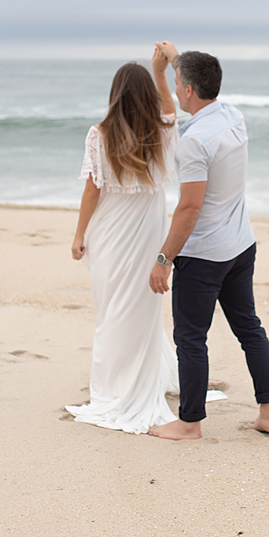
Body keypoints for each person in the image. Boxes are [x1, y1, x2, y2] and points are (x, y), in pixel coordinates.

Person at [147, 48, 269, 440]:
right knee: (249, 328)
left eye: (177, 84)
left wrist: (163, 259)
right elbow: (194, 77)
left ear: (188, 90)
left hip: (203, 255)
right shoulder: (232, 117)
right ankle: (268, 412)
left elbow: (189, 208)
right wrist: (171, 62)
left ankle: (189, 424)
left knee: (190, 338)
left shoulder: (195, 141)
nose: (175, 89)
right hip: (240, 245)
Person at [66, 46, 181, 434]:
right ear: (146, 94)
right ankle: (135, 378)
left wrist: (80, 235)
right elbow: (170, 109)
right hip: (149, 230)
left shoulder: (99, 135)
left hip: (111, 232)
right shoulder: (162, 132)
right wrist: (160, 71)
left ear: (114, 94)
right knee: (142, 307)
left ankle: (113, 386)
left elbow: (91, 192)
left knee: (113, 307)